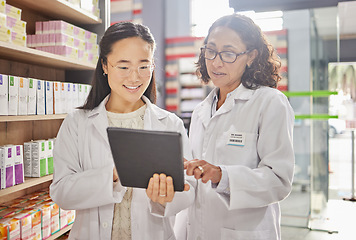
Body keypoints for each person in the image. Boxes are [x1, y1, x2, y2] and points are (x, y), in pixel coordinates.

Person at [50, 22, 194, 240]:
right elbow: (62, 192)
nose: (134, 78)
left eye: (144, 66)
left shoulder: (169, 123)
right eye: (124, 67)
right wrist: (116, 173)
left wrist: (164, 197)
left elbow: (189, 189)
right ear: (105, 66)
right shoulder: (77, 122)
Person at [182, 14, 295, 240]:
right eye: (211, 51)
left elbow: (279, 181)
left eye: (229, 53)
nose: (216, 62)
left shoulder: (270, 102)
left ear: (251, 56)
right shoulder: (201, 111)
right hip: (197, 230)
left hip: (245, 232)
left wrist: (222, 176)